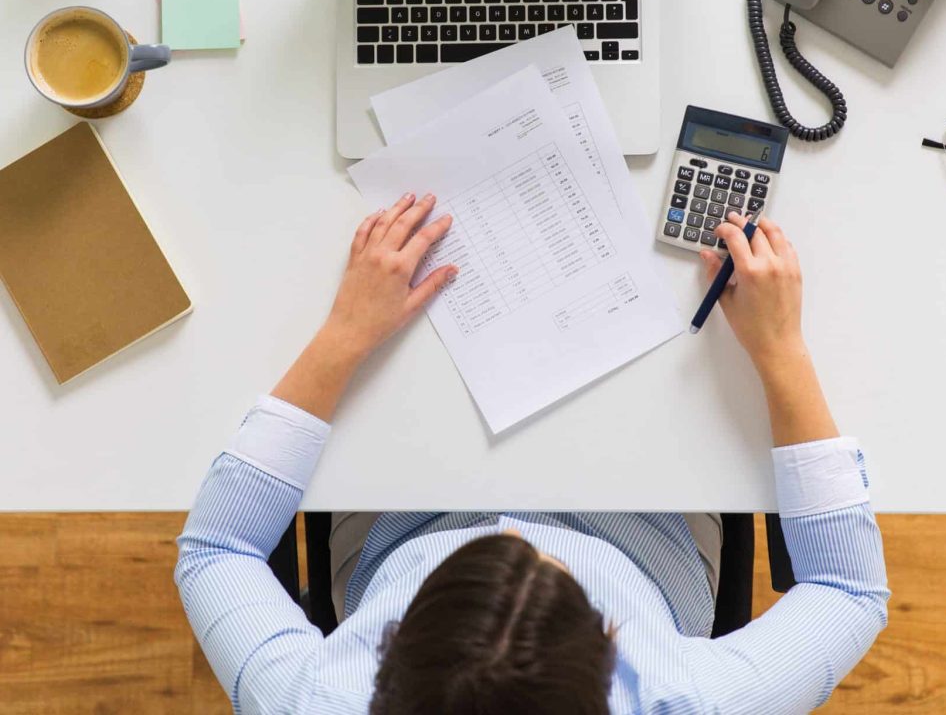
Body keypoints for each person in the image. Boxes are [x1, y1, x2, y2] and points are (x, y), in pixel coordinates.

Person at [176, 191, 889, 714]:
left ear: (383, 662)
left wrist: (343, 334)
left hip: (406, 521)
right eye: (545, 564)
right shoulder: (692, 699)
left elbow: (215, 548)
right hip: (647, 535)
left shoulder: (317, 699)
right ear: (610, 658)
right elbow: (848, 591)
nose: (510, 527)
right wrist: (781, 349)